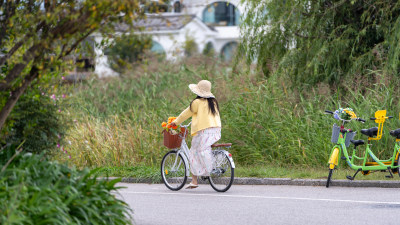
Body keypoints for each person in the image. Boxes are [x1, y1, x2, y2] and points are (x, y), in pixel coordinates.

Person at [170, 80, 221, 189]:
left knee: (193, 152)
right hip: (216, 130)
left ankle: (194, 181)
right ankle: (207, 168)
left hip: (203, 131)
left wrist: (175, 122)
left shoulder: (196, 102)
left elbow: (185, 114)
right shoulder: (213, 101)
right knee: (204, 150)